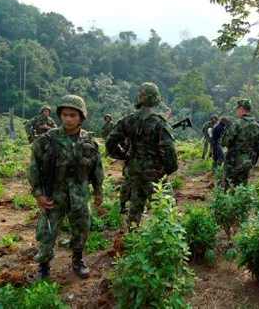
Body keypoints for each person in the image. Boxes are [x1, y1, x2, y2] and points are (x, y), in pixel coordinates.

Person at [28, 95, 103, 279]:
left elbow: (96, 168)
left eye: (73, 115)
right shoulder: (46, 140)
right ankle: (43, 267)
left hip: (79, 195)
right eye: (64, 114)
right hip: (54, 195)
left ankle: (77, 260)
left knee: (82, 229)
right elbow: (34, 168)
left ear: (81, 117)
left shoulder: (89, 142)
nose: (68, 119)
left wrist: (98, 191)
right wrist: (38, 194)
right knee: (47, 232)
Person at [106, 82, 178, 225]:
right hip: (155, 173)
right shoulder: (159, 123)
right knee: (166, 209)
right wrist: (167, 169)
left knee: (134, 210)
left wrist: (124, 156)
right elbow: (169, 151)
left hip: (133, 170)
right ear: (156, 99)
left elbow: (110, 142)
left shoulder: (127, 121)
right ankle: (165, 241)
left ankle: (132, 237)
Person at [221, 99, 259, 189]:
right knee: (242, 187)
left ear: (241, 109)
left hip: (233, 161)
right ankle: (240, 202)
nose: (236, 111)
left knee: (229, 186)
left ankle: (227, 202)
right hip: (248, 161)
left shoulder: (237, 124)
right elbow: (258, 145)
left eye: (237, 109)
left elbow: (225, 142)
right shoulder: (257, 126)